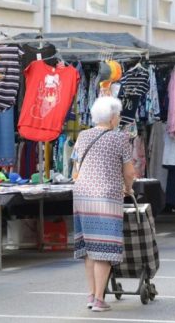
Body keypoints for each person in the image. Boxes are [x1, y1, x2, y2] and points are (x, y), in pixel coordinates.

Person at [72, 96, 136, 312]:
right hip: (106, 197)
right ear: (111, 118)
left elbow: (75, 170)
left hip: (82, 196)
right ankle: (100, 299)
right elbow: (129, 172)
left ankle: (92, 295)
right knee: (104, 247)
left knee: (90, 248)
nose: (118, 118)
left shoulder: (82, 136)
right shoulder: (120, 138)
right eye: (117, 115)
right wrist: (128, 188)